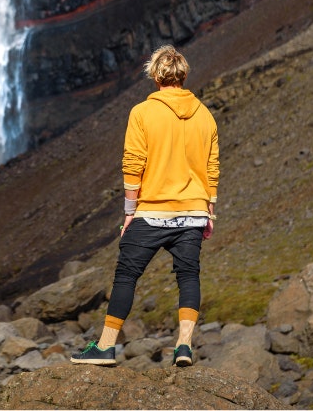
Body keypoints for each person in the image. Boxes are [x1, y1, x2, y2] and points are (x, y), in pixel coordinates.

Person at [71, 44, 219, 367]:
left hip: (152, 212)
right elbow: (212, 169)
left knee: (126, 274)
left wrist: (128, 213)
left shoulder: (142, 113)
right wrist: (208, 211)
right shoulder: (206, 116)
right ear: (183, 74)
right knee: (188, 275)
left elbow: (132, 166)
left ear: (155, 75)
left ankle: (106, 346)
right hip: (193, 211)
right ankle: (184, 346)